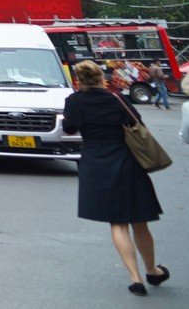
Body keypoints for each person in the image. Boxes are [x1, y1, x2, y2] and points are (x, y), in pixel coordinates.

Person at [61, 60, 167, 295]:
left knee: (118, 223)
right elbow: (136, 122)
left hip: (96, 164)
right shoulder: (116, 98)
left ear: (78, 80)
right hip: (126, 161)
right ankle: (152, 270)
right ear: (101, 77)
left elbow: (69, 128)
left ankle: (135, 278)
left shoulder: (73, 101)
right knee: (139, 220)